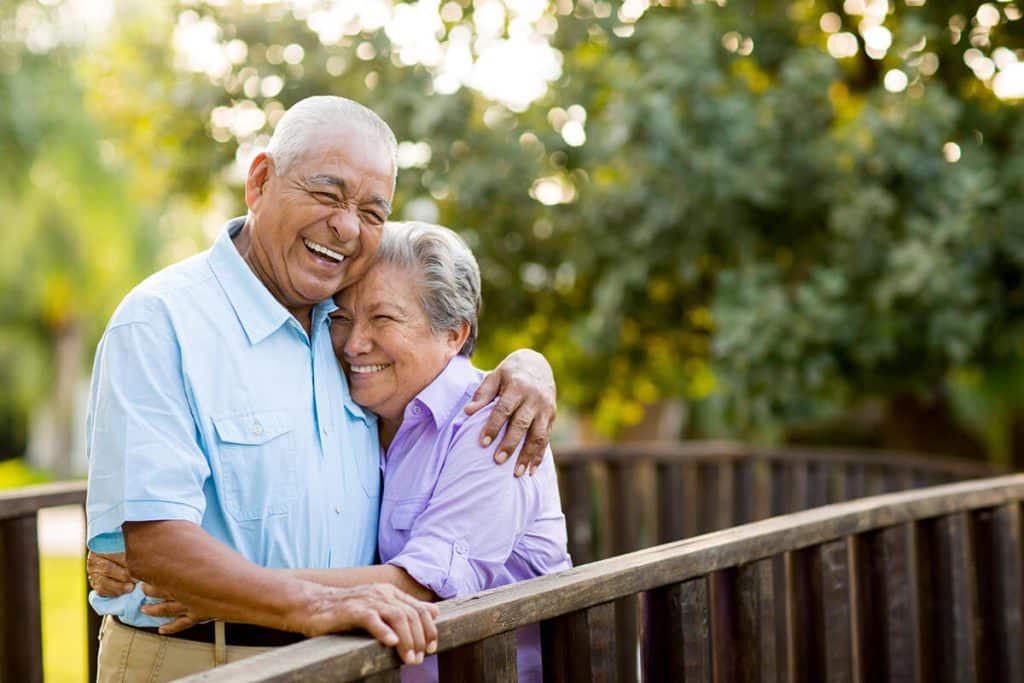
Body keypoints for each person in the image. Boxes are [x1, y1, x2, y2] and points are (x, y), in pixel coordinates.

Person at [84, 96, 557, 682]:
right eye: (328, 194)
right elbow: (156, 549)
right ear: (259, 182)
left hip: (351, 663)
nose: (347, 226)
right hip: (204, 661)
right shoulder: (162, 321)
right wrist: (317, 605)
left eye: (371, 211)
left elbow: (433, 351)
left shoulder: (342, 325)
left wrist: (530, 365)